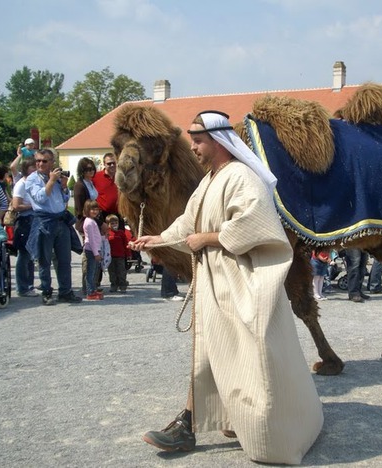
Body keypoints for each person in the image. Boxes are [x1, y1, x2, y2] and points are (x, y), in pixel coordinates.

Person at [132, 110, 322, 464]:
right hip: (215, 283)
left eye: (199, 140)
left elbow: (259, 227)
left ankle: (265, 429)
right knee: (211, 354)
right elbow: (188, 222)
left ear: (219, 141)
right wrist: (157, 239)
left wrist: (208, 237)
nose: (193, 148)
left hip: (239, 283)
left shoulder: (242, 178)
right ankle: (189, 425)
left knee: (243, 356)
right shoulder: (210, 180)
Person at [25, 149, 82, 305]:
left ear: (52, 163)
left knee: (64, 259)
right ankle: (46, 291)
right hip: (44, 221)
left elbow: (63, 198)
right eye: (38, 161)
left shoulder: (55, 176)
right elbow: (40, 198)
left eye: (44, 161)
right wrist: (50, 181)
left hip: (60, 220)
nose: (40, 164)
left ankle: (65, 291)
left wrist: (63, 186)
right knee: (44, 260)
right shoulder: (32, 179)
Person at [11, 158, 39, 297]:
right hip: (25, 220)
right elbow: (16, 205)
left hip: (35, 220)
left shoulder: (34, 183)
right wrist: (33, 206)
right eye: (32, 167)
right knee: (24, 254)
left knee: (31, 255)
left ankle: (29, 285)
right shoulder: (21, 184)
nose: (35, 169)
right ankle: (22, 287)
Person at [75, 157, 101, 295]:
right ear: (82, 171)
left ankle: (93, 284)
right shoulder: (80, 185)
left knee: (95, 253)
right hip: (85, 221)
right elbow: (79, 209)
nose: (91, 171)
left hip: (94, 219)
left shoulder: (90, 183)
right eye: (88, 169)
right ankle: (87, 286)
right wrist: (85, 225)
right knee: (89, 255)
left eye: (92, 169)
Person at [82, 200, 104, 301]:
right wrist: (96, 253)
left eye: (96, 209)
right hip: (91, 250)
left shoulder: (92, 221)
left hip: (95, 249)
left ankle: (93, 289)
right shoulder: (89, 223)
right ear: (87, 210)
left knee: (94, 271)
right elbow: (91, 240)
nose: (95, 211)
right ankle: (90, 292)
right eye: (92, 209)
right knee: (90, 272)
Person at [92, 153, 120, 223]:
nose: (112, 165)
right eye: (109, 163)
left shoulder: (120, 177)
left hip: (118, 214)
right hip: (103, 215)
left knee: (120, 234)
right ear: (104, 164)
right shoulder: (96, 177)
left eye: (114, 163)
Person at [106, 214, 128, 293]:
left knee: (121, 271)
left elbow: (126, 244)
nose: (114, 225)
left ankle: (122, 285)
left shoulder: (121, 233)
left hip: (120, 256)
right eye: (112, 223)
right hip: (111, 257)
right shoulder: (107, 233)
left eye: (116, 223)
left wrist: (128, 254)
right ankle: (113, 285)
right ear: (108, 225)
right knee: (112, 272)